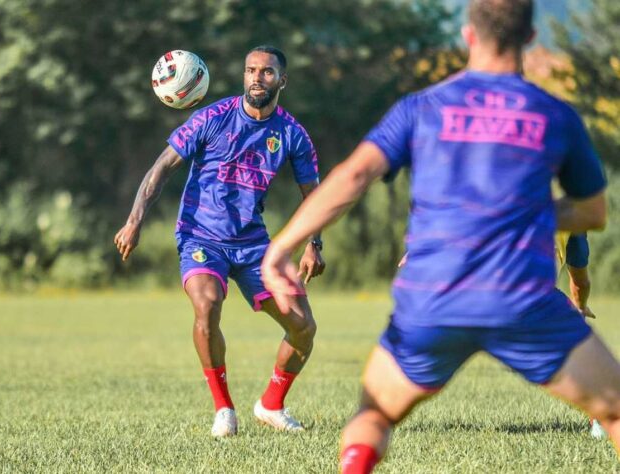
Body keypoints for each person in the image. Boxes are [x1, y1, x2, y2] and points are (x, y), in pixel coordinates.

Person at [260, 0, 620, 470]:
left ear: (468, 35)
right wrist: (522, 215)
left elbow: (352, 177)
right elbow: (593, 213)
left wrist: (281, 249)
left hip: (432, 298)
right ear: (530, 39)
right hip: (519, 299)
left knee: (374, 415)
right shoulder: (554, 115)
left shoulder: (422, 108)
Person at [114, 45, 325, 437]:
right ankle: (224, 408)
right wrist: (134, 221)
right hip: (201, 235)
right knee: (208, 303)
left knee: (303, 328)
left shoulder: (292, 134)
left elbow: (313, 194)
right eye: (250, 71)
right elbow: (160, 168)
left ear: (282, 80)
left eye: (265, 72)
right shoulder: (211, 118)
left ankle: (271, 405)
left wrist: (315, 242)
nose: (256, 78)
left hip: (253, 244)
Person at [555, 231, 607, 439]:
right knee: (586, 353)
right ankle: (601, 421)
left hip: (461, 293)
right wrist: (580, 307)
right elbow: (581, 283)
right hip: (529, 300)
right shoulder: (570, 211)